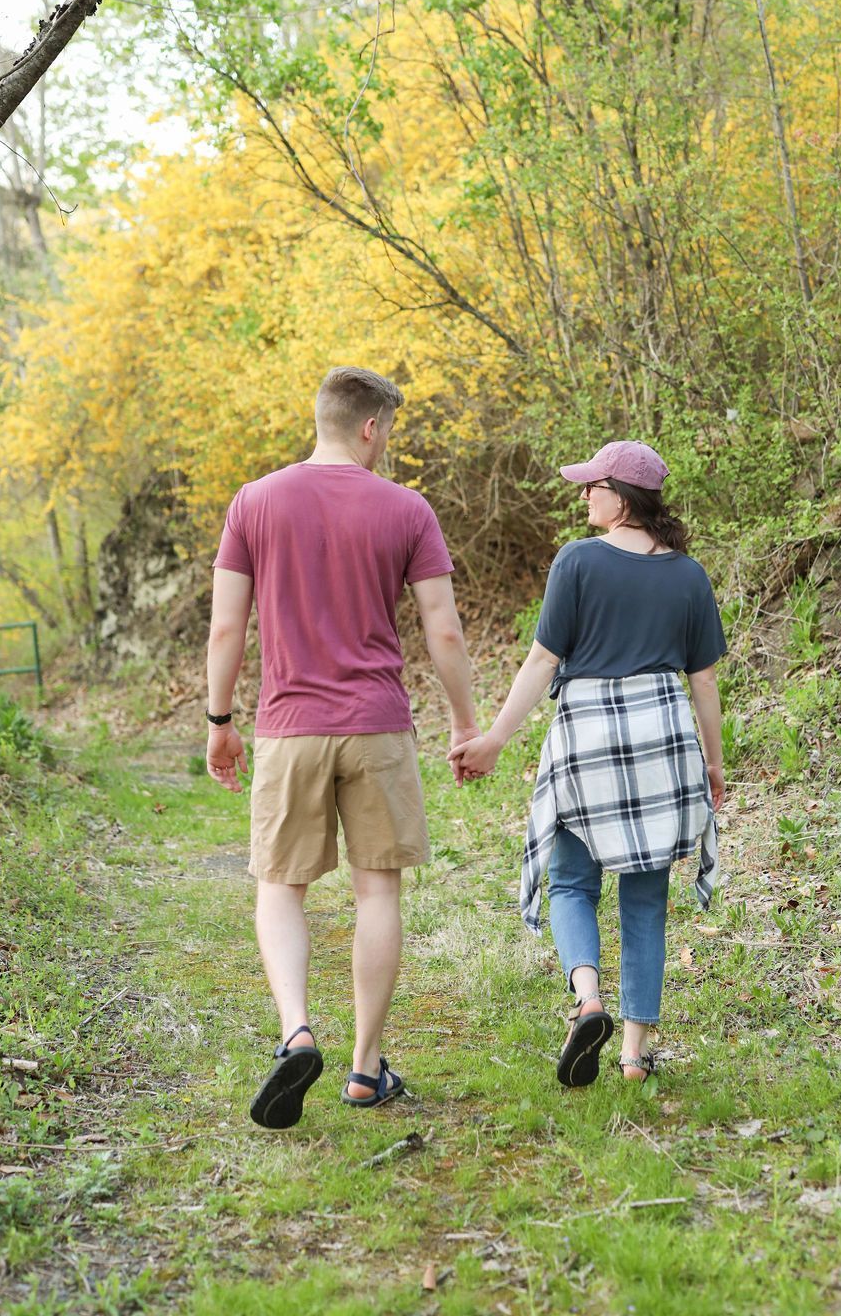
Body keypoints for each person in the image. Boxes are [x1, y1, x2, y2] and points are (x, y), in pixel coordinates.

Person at [205, 366, 479, 1128]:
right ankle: (364, 1070)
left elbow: (228, 627)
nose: (387, 443)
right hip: (378, 724)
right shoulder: (407, 509)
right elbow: (444, 630)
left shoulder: (254, 502)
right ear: (370, 426)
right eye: (388, 430)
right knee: (377, 891)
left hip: (289, 725)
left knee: (279, 885)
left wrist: (219, 721)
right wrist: (464, 723)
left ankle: (296, 1030)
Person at [449, 440, 725, 1087]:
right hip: (662, 738)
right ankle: (633, 1055)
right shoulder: (687, 574)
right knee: (646, 898)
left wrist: (493, 738)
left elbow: (542, 661)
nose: (583, 496)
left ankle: (588, 998)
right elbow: (704, 681)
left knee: (572, 879)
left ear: (620, 497)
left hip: (588, 737)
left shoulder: (576, 563)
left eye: (591, 486)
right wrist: (714, 764)